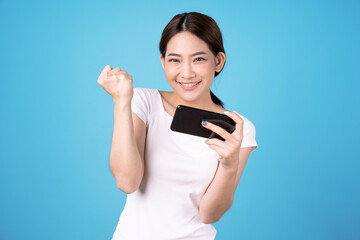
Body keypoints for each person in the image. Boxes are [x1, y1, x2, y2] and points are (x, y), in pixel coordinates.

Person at [98, 11, 258, 240]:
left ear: (218, 61)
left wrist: (229, 165)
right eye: (175, 59)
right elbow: (126, 181)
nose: (187, 72)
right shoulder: (144, 102)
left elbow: (210, 214)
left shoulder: (238, 127)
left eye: (199, 59)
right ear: (163, 62)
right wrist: (121, 102)